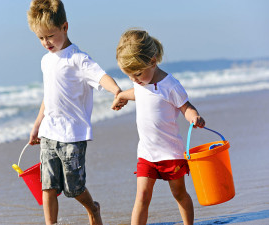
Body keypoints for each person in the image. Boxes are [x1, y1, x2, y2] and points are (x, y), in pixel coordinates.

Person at [27, 0, 123, 224]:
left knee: (74, 187)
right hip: (49, 133)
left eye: (50, 35)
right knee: (48, 185)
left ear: (65, 27)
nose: (46, 42)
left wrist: (116, 91)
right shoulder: (45, 61)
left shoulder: (78, 59)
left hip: (72, 135)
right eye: (40, 38)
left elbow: (101, 76)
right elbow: (48, 96)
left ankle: (93, 208)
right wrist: (37, 124)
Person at [112, 29, 205, 225]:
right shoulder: (140, 82)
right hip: (146, 153)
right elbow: (137, 91)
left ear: (153, 61)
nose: (134, 80)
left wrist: (194, 116)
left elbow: (185, 106)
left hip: (171, 153)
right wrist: (121, 96)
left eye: (136, 74)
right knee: (142, 196)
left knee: (179, 194)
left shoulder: (170, 85)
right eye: (129, 76)